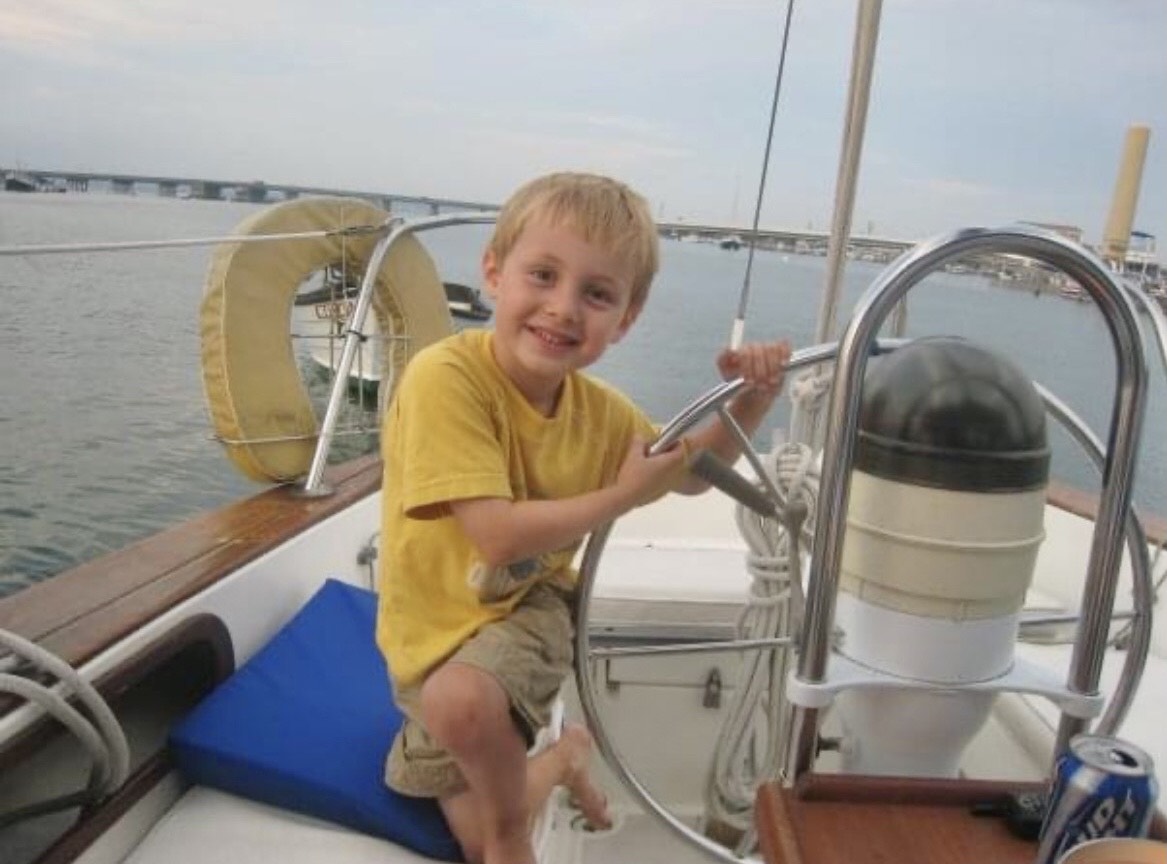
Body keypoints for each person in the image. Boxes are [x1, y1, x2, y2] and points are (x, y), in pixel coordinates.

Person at [376, 171, 791, 864]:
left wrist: (750, 398)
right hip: (422, 637)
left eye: (596, 294)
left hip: (525, 610)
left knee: (463, 717)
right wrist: (623, 496)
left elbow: (689, 475)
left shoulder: (600, 413)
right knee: (466, 816)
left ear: (624, 320)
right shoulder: (443, 377)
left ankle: (514, 838)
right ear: (492, 275)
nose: (563, 308)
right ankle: (564, 758)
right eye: (542, 275)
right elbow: (495, 533)